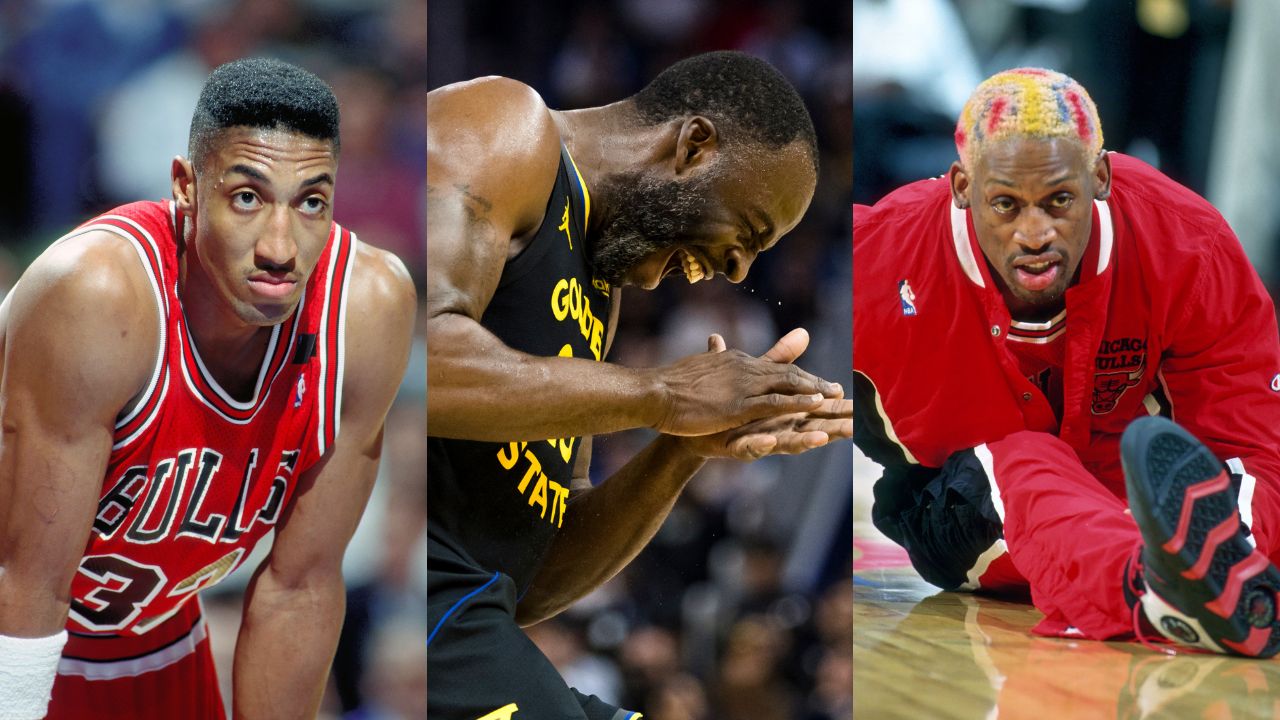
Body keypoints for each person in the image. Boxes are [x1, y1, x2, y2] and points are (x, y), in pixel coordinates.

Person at [427, 50, 851, 719]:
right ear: (694, 146)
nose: (738, 270)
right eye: (748, 232)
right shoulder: (508, 127)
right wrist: (665, 395)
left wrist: (682, 448)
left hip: (470, 617)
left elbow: (537, 579)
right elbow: (417, 359)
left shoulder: (599, 295)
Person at [0, 58, 416, 719]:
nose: (280, 247)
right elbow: (25, 583)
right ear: (186, 188)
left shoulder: (365, 309)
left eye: (310, 202)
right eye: (247, 198)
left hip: (154, 636)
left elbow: (299, 588)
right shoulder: (98, 295)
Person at [854, 67, 1280, 657]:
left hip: (1137, 501)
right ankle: (1161, 591)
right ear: (961, 187)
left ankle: (1203, 586)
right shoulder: (877, 260)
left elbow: (1255, 446)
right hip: (964, 503)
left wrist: (1240, 540)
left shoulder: (1186, 242)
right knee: (1025, 457)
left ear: (1100, 176)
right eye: (1005, 205)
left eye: (1059, 201)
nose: (1034, 234)